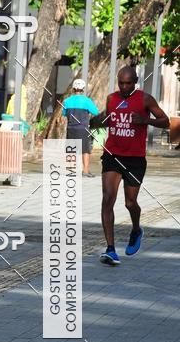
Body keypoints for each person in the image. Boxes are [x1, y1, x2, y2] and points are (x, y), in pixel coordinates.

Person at [90, 65, 169, 266]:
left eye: (128, 83)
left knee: (130, 203)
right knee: (107, 199)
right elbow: (109, 119)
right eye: (121, 83)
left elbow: (165, 121)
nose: (124, 87)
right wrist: (94, 122)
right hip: (112, 155)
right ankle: (110, 249)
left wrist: (145, 120)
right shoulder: (111, 98)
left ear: (135, 82)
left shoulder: (145, 99)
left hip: (135, 159)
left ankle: (136, 229)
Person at [61, 78, 99, 177]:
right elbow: (96, 112)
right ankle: (85, 171)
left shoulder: (67, 101)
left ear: (73, 88)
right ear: (83, 89)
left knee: (71, 150)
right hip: (83, 129)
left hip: (71, 129)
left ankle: (71, 171)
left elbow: (64, 114)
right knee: (85, 150)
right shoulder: (87, 101)